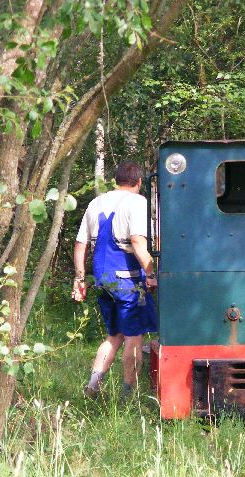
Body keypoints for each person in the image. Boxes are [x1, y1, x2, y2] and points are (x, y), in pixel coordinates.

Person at [72, 161, 157, 399]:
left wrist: (80, 279)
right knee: (134, 335)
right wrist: (151, 274)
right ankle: (128, 395)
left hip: (104, 278)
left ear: (116, 180)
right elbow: (138, 242)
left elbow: (80, 245)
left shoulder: (96, 203)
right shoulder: (137, 202)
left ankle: (93, 385)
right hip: (128, 278)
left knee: (115, 335)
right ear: (139, 182)